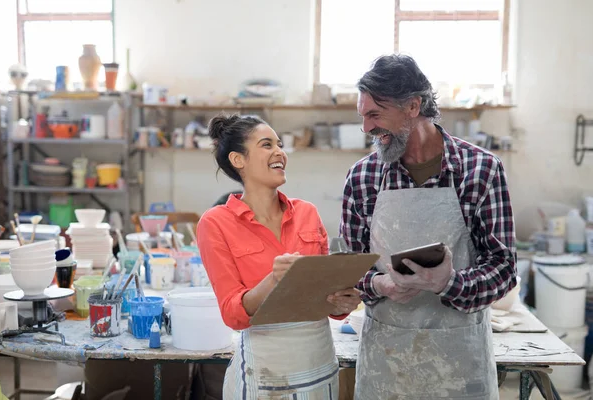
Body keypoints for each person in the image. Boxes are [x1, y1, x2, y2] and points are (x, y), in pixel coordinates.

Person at [340, 54, 517, 399]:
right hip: (387, 360)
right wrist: (380, 284)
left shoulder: (480, 170)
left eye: (375, 115)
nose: (366, 128)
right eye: (362, 116)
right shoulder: (362, 177)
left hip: (460, 357)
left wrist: (451, 283)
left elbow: (504, 268)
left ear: (413, 106)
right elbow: (348, 266)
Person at [197, 113, 361, 399]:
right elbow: (233, 313)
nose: (279, 152)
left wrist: (342, 302)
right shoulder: (215, 223)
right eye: (266, 145)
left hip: (319, 360)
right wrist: (273, 281)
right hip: (265, 369)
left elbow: (328, 299)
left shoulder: (307, 213)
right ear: (239, 160)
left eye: (280, 144)